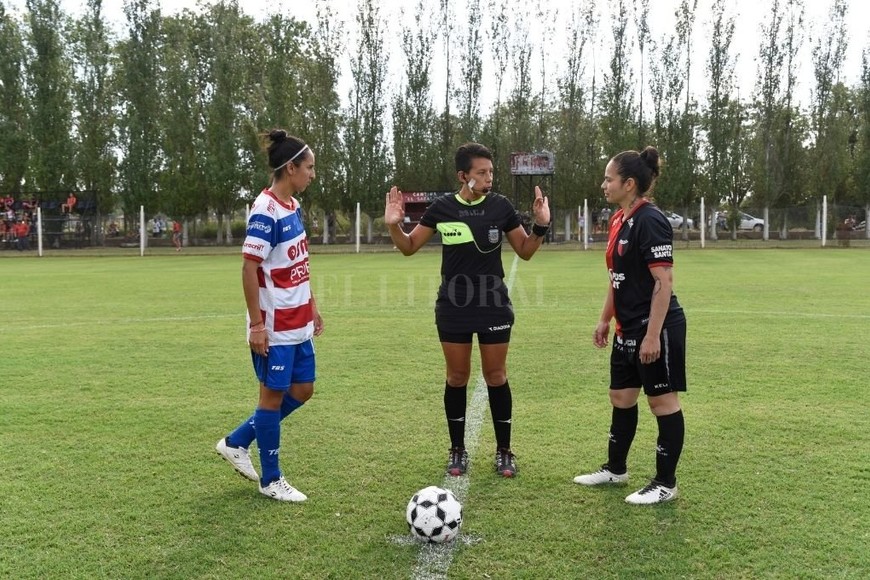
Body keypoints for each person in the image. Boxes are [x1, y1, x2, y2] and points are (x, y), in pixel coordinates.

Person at [384, 142, 551, 478]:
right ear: (463, 176)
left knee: (496, 376)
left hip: (493, 304)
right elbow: (409, 246)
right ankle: (457, 450)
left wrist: (541, 225)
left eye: (491, 172)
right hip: (453, 306)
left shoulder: (501, 207)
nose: (488, 178)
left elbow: (526, 250)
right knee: (457, 377)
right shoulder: (443, 208)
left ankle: (505, 451)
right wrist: (393, 225)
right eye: (481, 173)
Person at [573, 146, 687, 505]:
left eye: (609, 179)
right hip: (626, 328)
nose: (603, 184)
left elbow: (662, 283)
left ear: (630, 183)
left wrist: (652, 335)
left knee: (662, 403)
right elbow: (616, 276)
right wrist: (606, 318)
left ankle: (665, 483)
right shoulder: (619, 220)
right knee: (621, 397)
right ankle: (615, 469)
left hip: (656, 326)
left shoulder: (651, 220)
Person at [215, 129, 324, 502]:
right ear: (290, 167)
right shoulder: (265, 211)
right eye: (308, 168)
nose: (312, 174)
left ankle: (238, 440)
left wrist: (312, 306)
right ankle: (271, 478)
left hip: (299, 320)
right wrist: (258, 325)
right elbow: (249, 268)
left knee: (303, 390)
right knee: (271, 399)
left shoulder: (293, 207)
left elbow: (298, 264)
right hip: (275, 327)